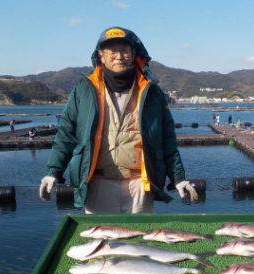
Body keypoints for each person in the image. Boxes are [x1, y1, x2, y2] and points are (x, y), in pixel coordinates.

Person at [39, 26, 197, 214]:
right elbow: (66, 135)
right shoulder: (84, 90)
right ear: (101, 55)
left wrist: (178, 178)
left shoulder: (152, 92)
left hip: (140, 185)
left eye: (124, 50)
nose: (119, 56)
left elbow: (167, 141)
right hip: (98, 185)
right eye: (112, 50)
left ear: (133, 53)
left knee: (139, 240)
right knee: (101, 242)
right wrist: (53, 172)